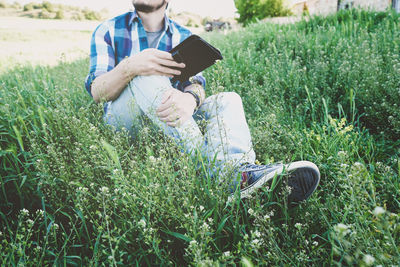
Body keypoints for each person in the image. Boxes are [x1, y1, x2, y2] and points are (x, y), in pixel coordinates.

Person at [85, 0, 320, 203]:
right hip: (124, 122)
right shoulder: (108, 29)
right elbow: (98, 91)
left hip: (169, 122)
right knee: (145, 75)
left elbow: (197, 85)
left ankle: (241, 170)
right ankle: (225, 178)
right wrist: (130, 67)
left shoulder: (183, 35)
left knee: (228, 99)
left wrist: (190, 98)